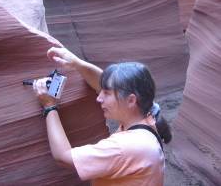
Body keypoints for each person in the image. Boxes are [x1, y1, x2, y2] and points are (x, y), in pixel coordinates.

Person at [33, 47, 172, 186]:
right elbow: (113, 86)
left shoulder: (123, 147)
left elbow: (63, 158)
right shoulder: (149, 113)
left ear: (131, 100)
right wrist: (77, 63)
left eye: (106, 93)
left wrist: (49, 106)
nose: (99, 98)